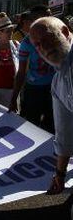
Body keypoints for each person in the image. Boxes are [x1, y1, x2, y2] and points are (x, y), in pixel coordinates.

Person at [29, 17, 73, 195]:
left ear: (64, 32)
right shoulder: (57, 83)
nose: (43, 48)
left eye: (46, 40)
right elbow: (64, 135)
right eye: (37, 45)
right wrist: (60, 173)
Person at [9, 7, 55, 133]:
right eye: (46, 17)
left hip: (54, 90)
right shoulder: (26, 43)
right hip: (33, 90)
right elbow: (21, 72)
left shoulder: (58, 38)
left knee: (51, 128)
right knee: (31, 127)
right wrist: (14, 99)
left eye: (51, 16)